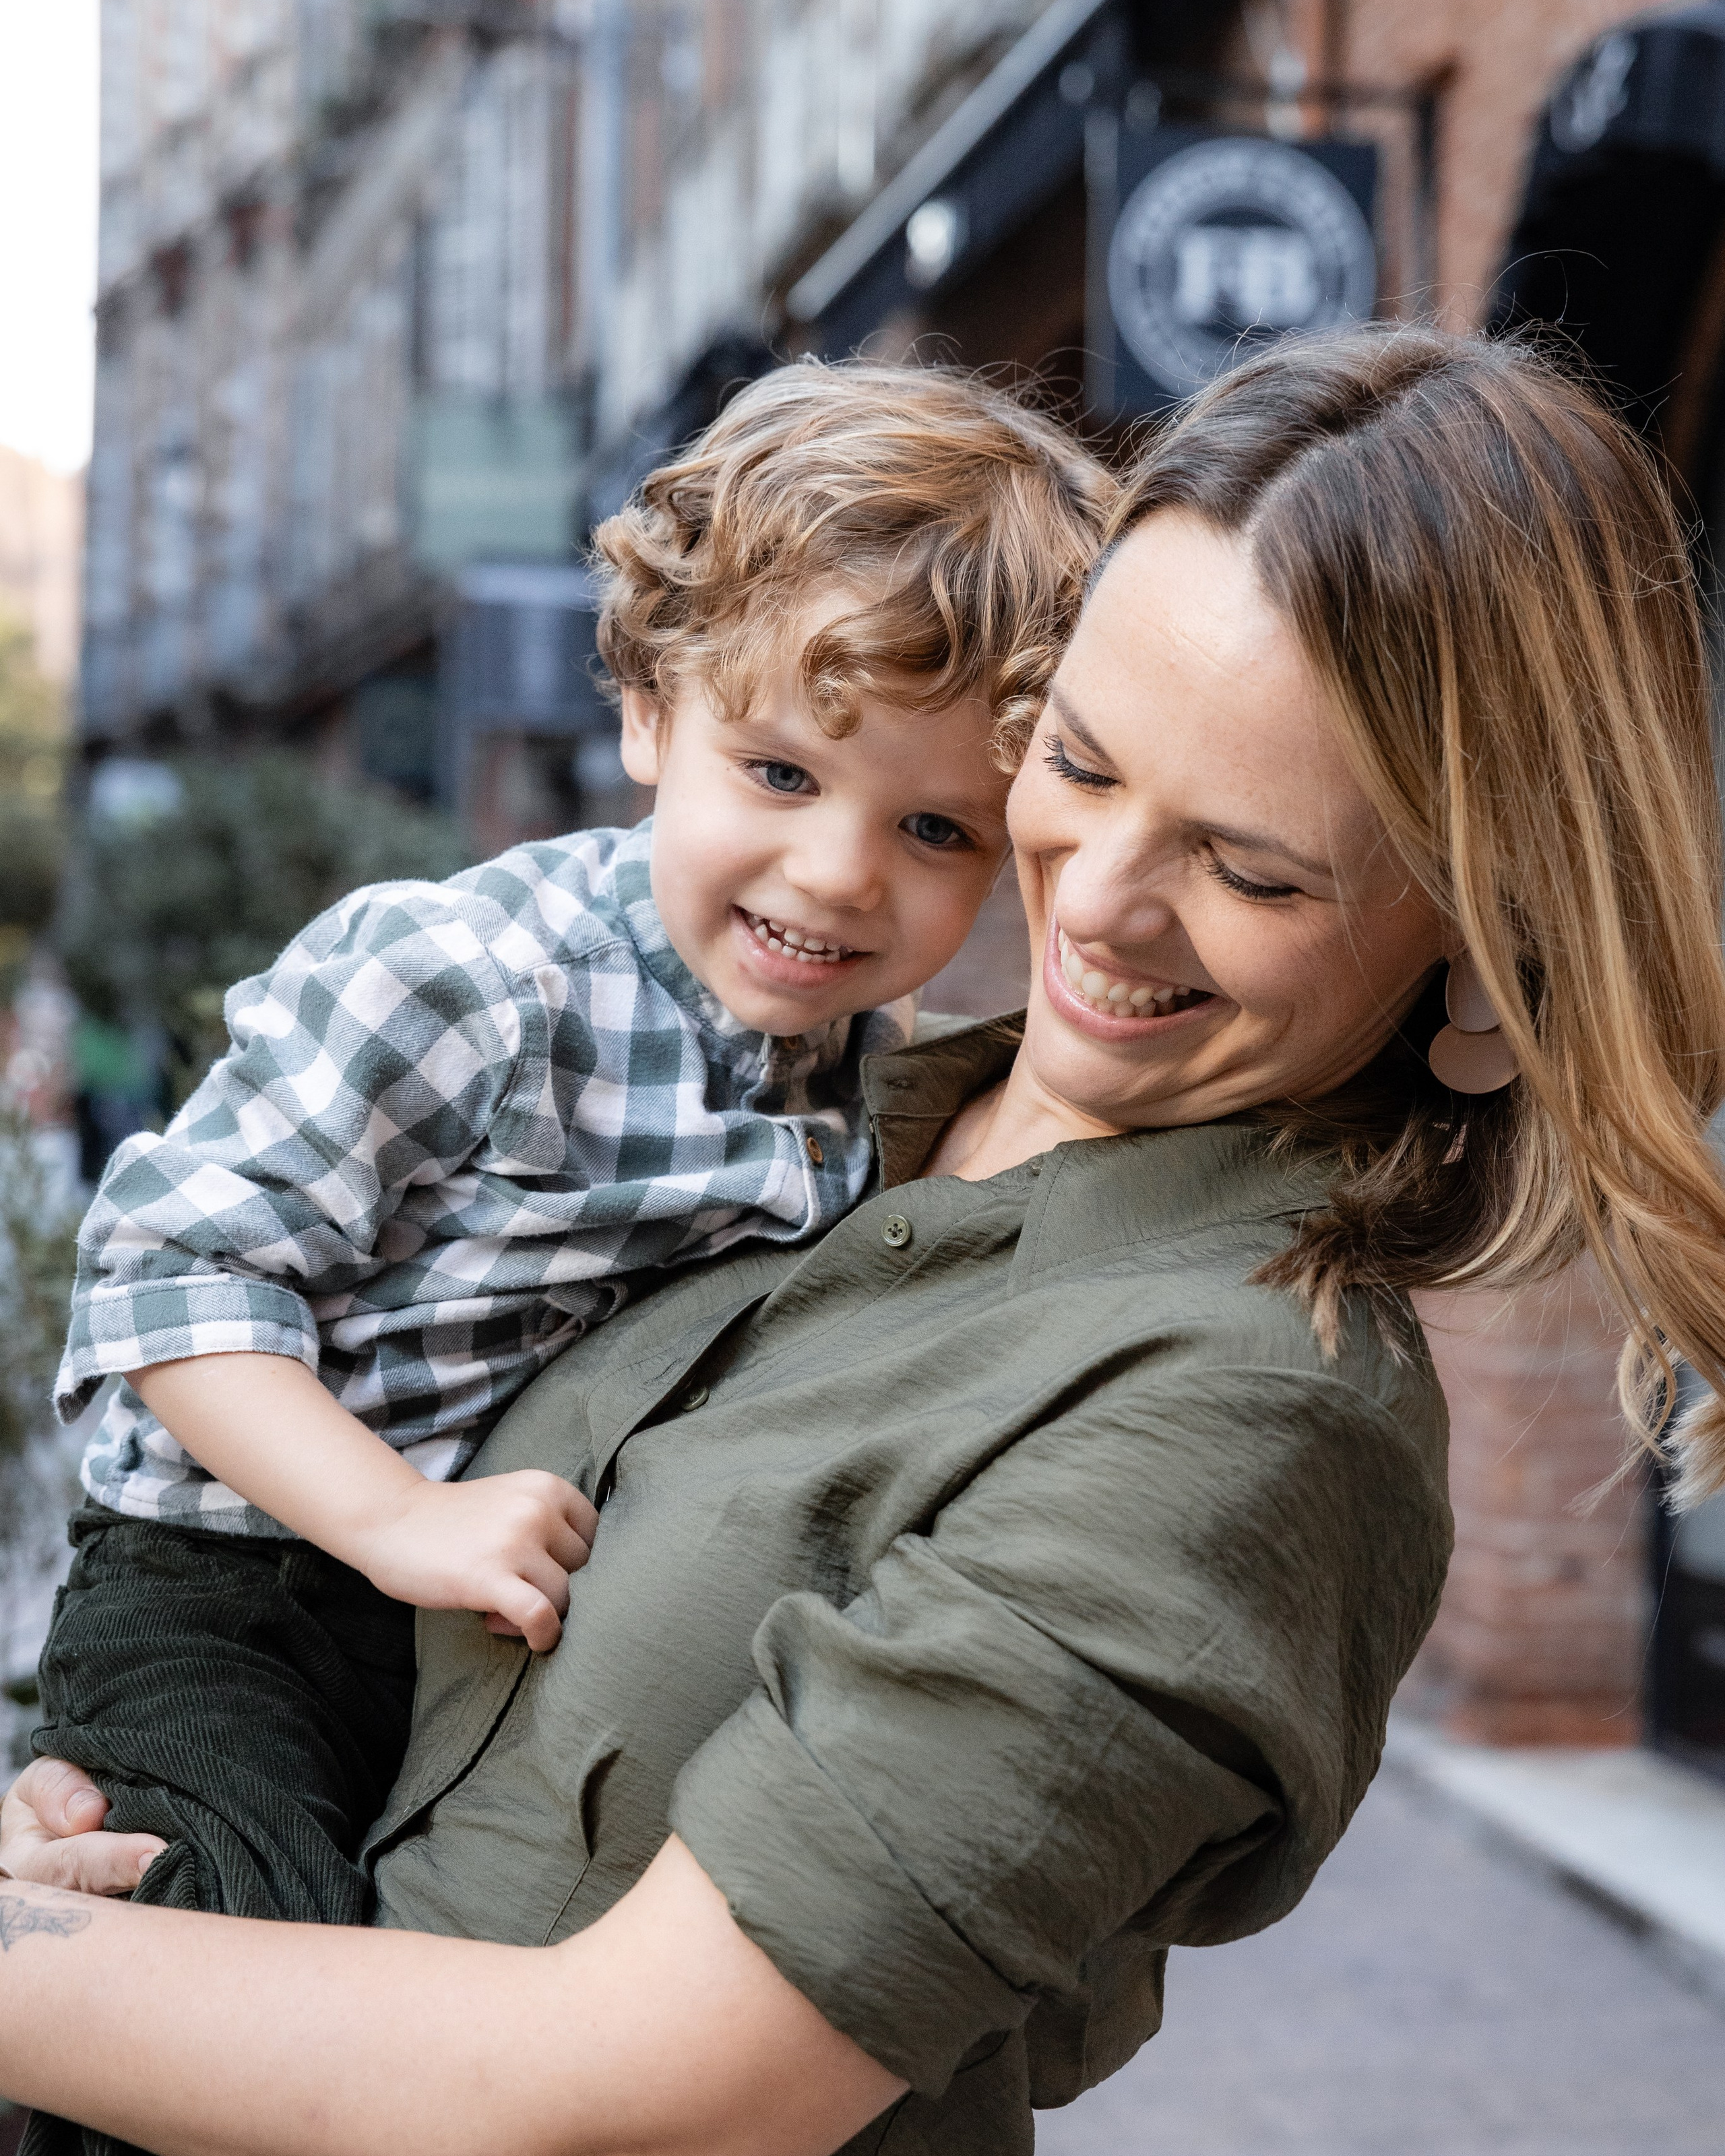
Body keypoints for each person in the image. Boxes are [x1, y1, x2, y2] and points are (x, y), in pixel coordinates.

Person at [7, 323, 1725, 2156]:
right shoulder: (812, 1107)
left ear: (1475, 927)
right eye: (1075, 763)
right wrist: (110, 1879)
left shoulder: (1251, 1416)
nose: (1104, 899)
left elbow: (637, 2097)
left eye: (1251, 867)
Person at [25, 356, 1113, 1962]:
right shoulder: (470, 976)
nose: (836, 872)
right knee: (229, 1942)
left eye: (935, 829)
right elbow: (166, 1274)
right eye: (782, 772)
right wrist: (394, 1515)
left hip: (469, 1633)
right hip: (235, 1583)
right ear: (649, 707)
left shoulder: (861, 1081)